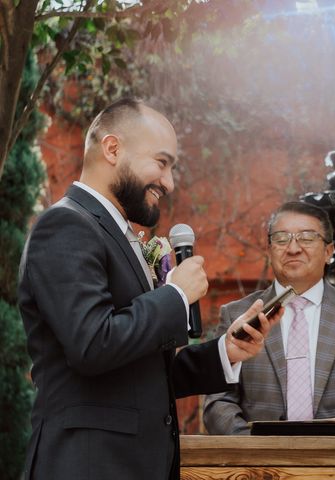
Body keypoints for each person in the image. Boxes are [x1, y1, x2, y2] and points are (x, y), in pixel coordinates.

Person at [18, 98, 283, 480]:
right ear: (112, 149)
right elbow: (92, 344)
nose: (170, 182)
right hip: (89, 466)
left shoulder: (116, 236)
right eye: (162, 163)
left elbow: (136, 370)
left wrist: (225, 350)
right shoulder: (65, 226)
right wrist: (175, 296)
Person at [203, 201, 335, 434]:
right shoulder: (238, 315)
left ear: (328, 251)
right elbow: (218, 401)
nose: (293, 248)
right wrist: (251, 449)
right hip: (255, 465)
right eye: (282, 238)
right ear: (269, 250)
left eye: (307, 238)